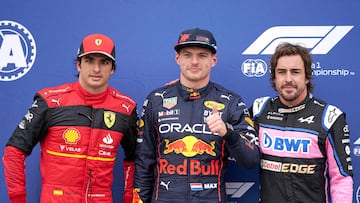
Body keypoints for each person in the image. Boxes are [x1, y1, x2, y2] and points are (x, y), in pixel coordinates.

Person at [3, 33, 138, 203]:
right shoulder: (50, 102)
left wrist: (129, 199)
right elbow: (14, 151)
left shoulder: (125, 108)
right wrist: (18, 199)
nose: (96, 69)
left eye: (104, 62)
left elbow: (135, 160)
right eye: (89, 61)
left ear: (112, 68)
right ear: (78, 65)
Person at [132, 28, 259, 203]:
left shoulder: (231, 102)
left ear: (214, 60)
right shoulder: (156, 100)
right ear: (177, 58)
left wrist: (228, 133)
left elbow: (251, 159)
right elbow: (143, 162)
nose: (194, 61)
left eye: (202, 55)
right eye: (187, 54)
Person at [250, 42, 353, 203]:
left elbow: (341, 178)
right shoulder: (259, 111)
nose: (288, 79)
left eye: (295, 72)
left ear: (307, 76)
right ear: (274, 77)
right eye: (282, 72)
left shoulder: (329, 117)